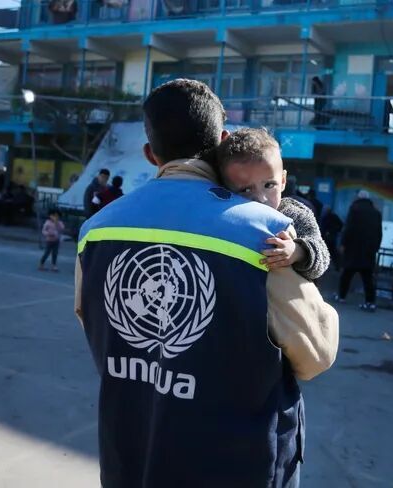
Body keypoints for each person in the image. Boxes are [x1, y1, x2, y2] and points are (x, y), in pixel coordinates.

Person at [75, 79, 339, 488]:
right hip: (239, 465)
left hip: (132, 457)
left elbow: (101, 333)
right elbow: (316, 355)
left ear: (150, 153)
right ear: (222, 141)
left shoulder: (95, 230)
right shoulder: (265, 234)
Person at [216, 128, 330, 282]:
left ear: (283, 181)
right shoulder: (226, 218)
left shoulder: (295, 214)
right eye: (245, 189)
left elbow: (322, 257)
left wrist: (297, 251)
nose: (260, 198)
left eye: (269, 185)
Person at [336, 190, 383, 311]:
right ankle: (370, 302)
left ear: (358, 198)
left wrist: (343, 243)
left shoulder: (354, 209)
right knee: (368, 278)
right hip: (368, 251)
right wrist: (376, 247)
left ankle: (341, 296)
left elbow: (349, 228)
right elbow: (379, 233)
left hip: (353, 249)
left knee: (347, 274)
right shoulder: (376, 212)